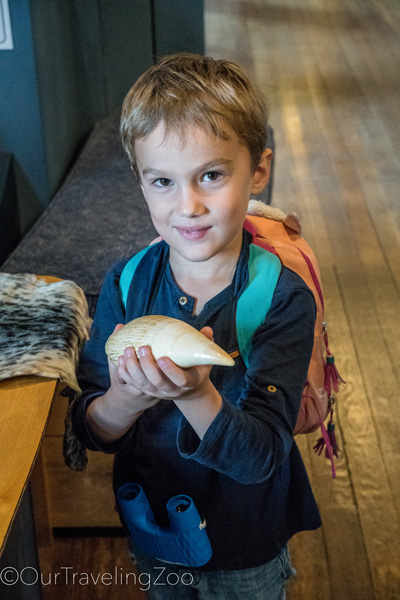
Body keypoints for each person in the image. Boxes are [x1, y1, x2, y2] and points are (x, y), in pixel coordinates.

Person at [72, 53, 321, 599]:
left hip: (244, 542)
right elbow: (93, 429)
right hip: (153, 526)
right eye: (162, 180)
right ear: (140, 182)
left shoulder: (280, 299)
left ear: (258, 171)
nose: (188, 206)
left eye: (211, 175)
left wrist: (195, 394)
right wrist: (127, 397)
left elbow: (259, 457)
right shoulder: (127, 282)